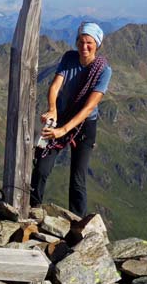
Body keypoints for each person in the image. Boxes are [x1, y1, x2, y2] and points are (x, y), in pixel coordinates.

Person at [29, 22, 112, 217]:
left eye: (89, 43)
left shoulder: (103, 71)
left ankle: (77, 225)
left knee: (78, 179)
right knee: (41, 168)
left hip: (85, 126)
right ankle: (31, 210)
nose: (84, 47)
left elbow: (89, 107)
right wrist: (52, 109)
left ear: (97, 44)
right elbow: (55, 86)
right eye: (81, 42)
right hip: (61, 117)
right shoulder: (69, 58)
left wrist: (62, 130)